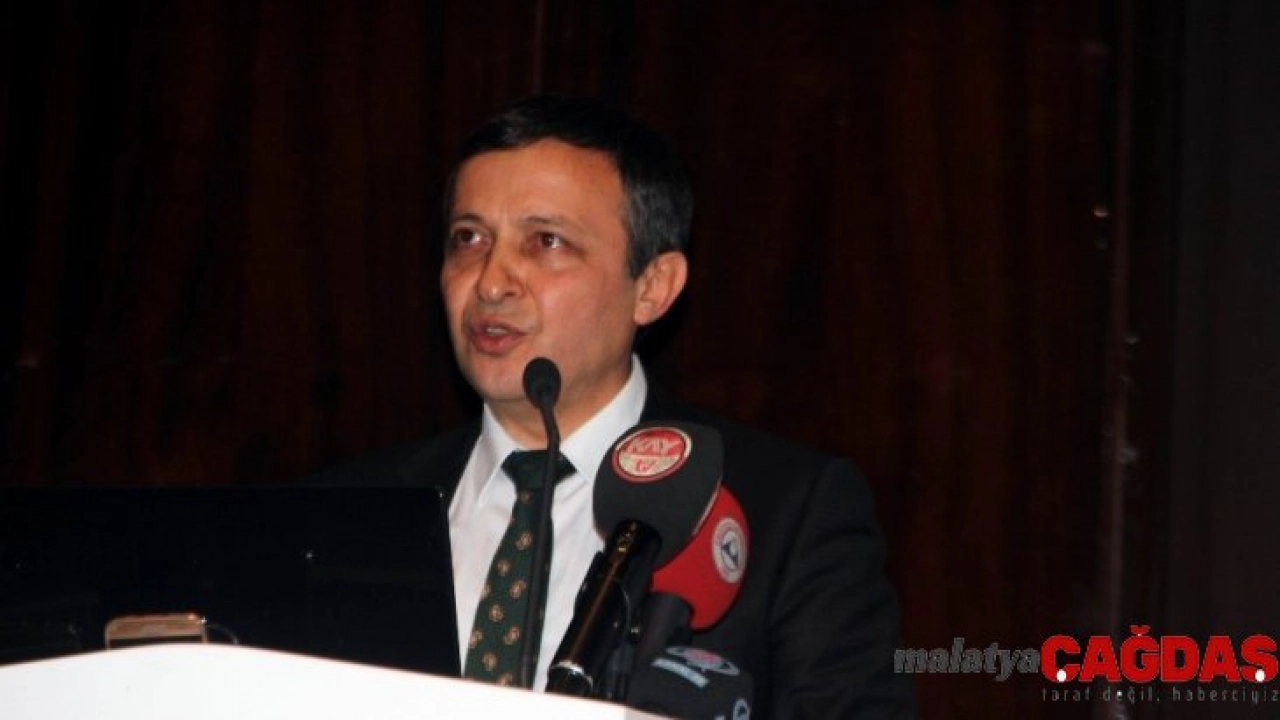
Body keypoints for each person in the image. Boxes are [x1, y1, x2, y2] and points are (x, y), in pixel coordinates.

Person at [319, 95, 915, 718]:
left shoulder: (787, 513)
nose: (491, 281)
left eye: (546, 241)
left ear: (653, 287)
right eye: (469, 238)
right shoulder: (344, 509)